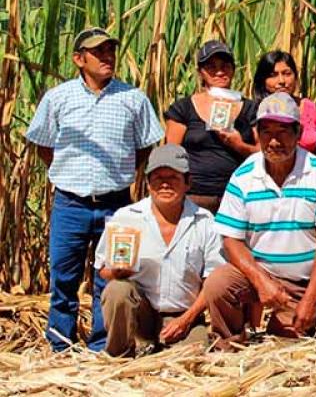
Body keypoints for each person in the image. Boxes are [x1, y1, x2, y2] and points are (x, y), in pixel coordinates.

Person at [25, 27, 163, 352]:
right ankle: (60, 343)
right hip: (70, 203)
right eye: (98, 52)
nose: (107, 57)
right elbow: (43, 144)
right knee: (63, 276)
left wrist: (121, 172)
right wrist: (65, 172)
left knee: (111, 275)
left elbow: (144, 146)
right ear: (79, 59)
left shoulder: (133, 99)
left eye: (110, 50)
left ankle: (102, 345)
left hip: (117, 205)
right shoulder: (58, 98)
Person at [203, 92, 316, 349]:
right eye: (266, 132)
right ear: (257, 134)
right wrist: (261, 281)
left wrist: (311, 298)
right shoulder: (243, 176)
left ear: (298, 132)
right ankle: (228, 346)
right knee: (219, 283)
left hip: (300, 284)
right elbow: (231, 240)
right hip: (257, 274)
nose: (274, 141)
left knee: (285, 349)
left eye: (283, 132)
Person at [95, 144, 225, 357]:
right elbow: (102, 268)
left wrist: (186, 320)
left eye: (173, 177)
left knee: (193, 359)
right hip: (140, 315)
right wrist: (117, 272)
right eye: (158, 178)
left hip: (183, 317)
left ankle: (171, 343)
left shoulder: (205, 222)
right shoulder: (126, 217)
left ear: (188, 182)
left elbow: (212, 280)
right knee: (117, 290)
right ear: (148, 183)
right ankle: (120, 355)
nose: (165, 184)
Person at [165, 40, 259, 213]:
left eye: (225, 66)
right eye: (211, 67)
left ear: (233, 69)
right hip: (195, 196)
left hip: (237, 194)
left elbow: (264, 154)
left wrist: (239, 145)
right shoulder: (183, 108)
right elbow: (171, 154)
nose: (219, 72)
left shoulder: (250, 109)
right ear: (200, 72)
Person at [253, 50, 316, 153]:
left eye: (287, 74)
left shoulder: (308, 107)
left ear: (295, 76)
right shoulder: (255, 111)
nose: (281, 81)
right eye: (273, 75)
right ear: (263, 80)